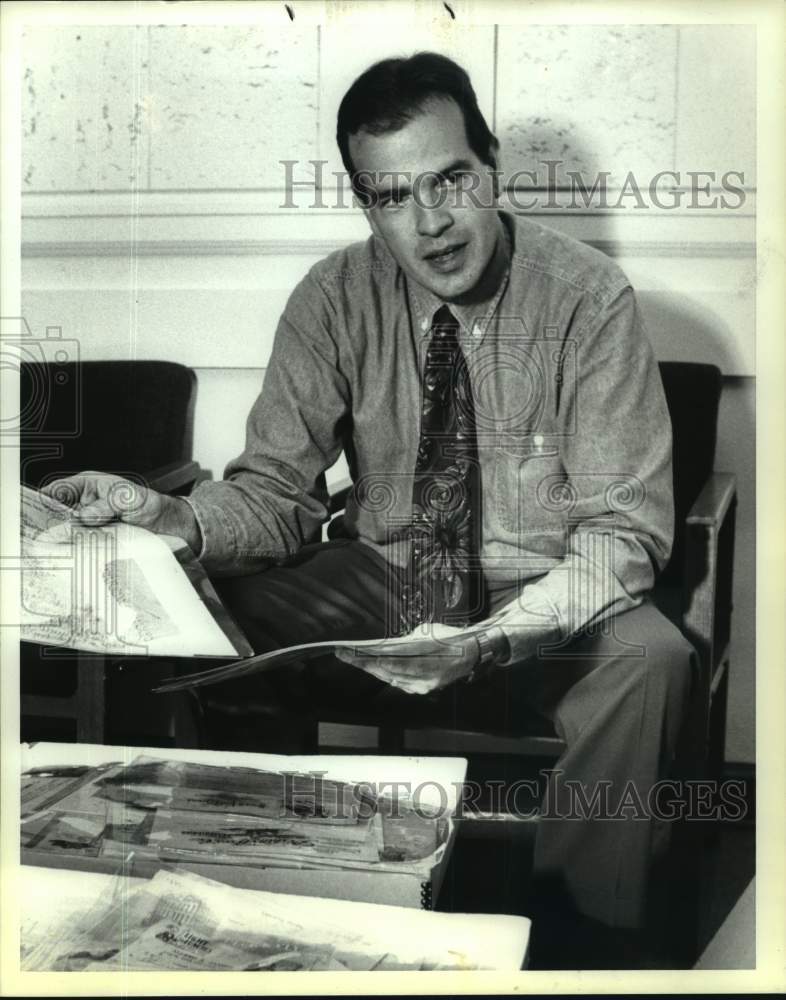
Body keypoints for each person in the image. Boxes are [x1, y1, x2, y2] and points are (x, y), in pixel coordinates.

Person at [44, 53, 695, 954]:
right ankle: (259, 911)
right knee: (206, 626)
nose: (431, 223)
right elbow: (276, 493)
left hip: (546, 589)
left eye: (450, 179)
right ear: (365, 205)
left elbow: (623, 532)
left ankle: (582, 945)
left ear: (493, 165)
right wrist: (176, 520)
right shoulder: (331, 299)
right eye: (394, 197)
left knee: (652, 665)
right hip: (382, 576)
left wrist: (497, 635)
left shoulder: (588, 300)